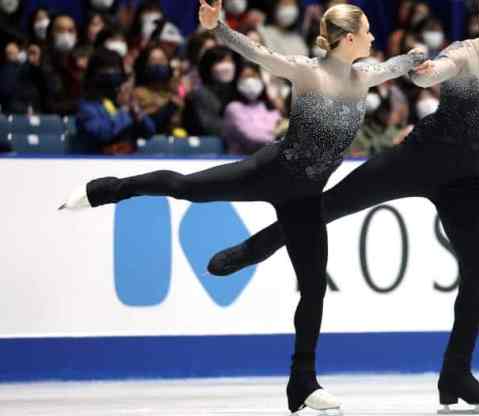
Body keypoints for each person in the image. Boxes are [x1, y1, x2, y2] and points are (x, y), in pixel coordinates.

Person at [207, 1, 479, 413]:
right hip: (416, 160)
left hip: (464, 181)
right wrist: (425, 73)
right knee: (328, 206)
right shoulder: (464, 52)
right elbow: (435, 70)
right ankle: (256, 248)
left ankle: (455, 375)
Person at [59, 2, 426, 414]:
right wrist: (219, 29)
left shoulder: (364, 76)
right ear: (349, 37)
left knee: (314, 287)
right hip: (269, 172)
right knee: (185, 188)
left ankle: (302, 383)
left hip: (305, 197)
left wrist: (416, 59)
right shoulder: (307, 71)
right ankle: (107, 189)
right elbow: (257, 53)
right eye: (369, 31)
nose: (374, 37)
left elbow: (395, 66)